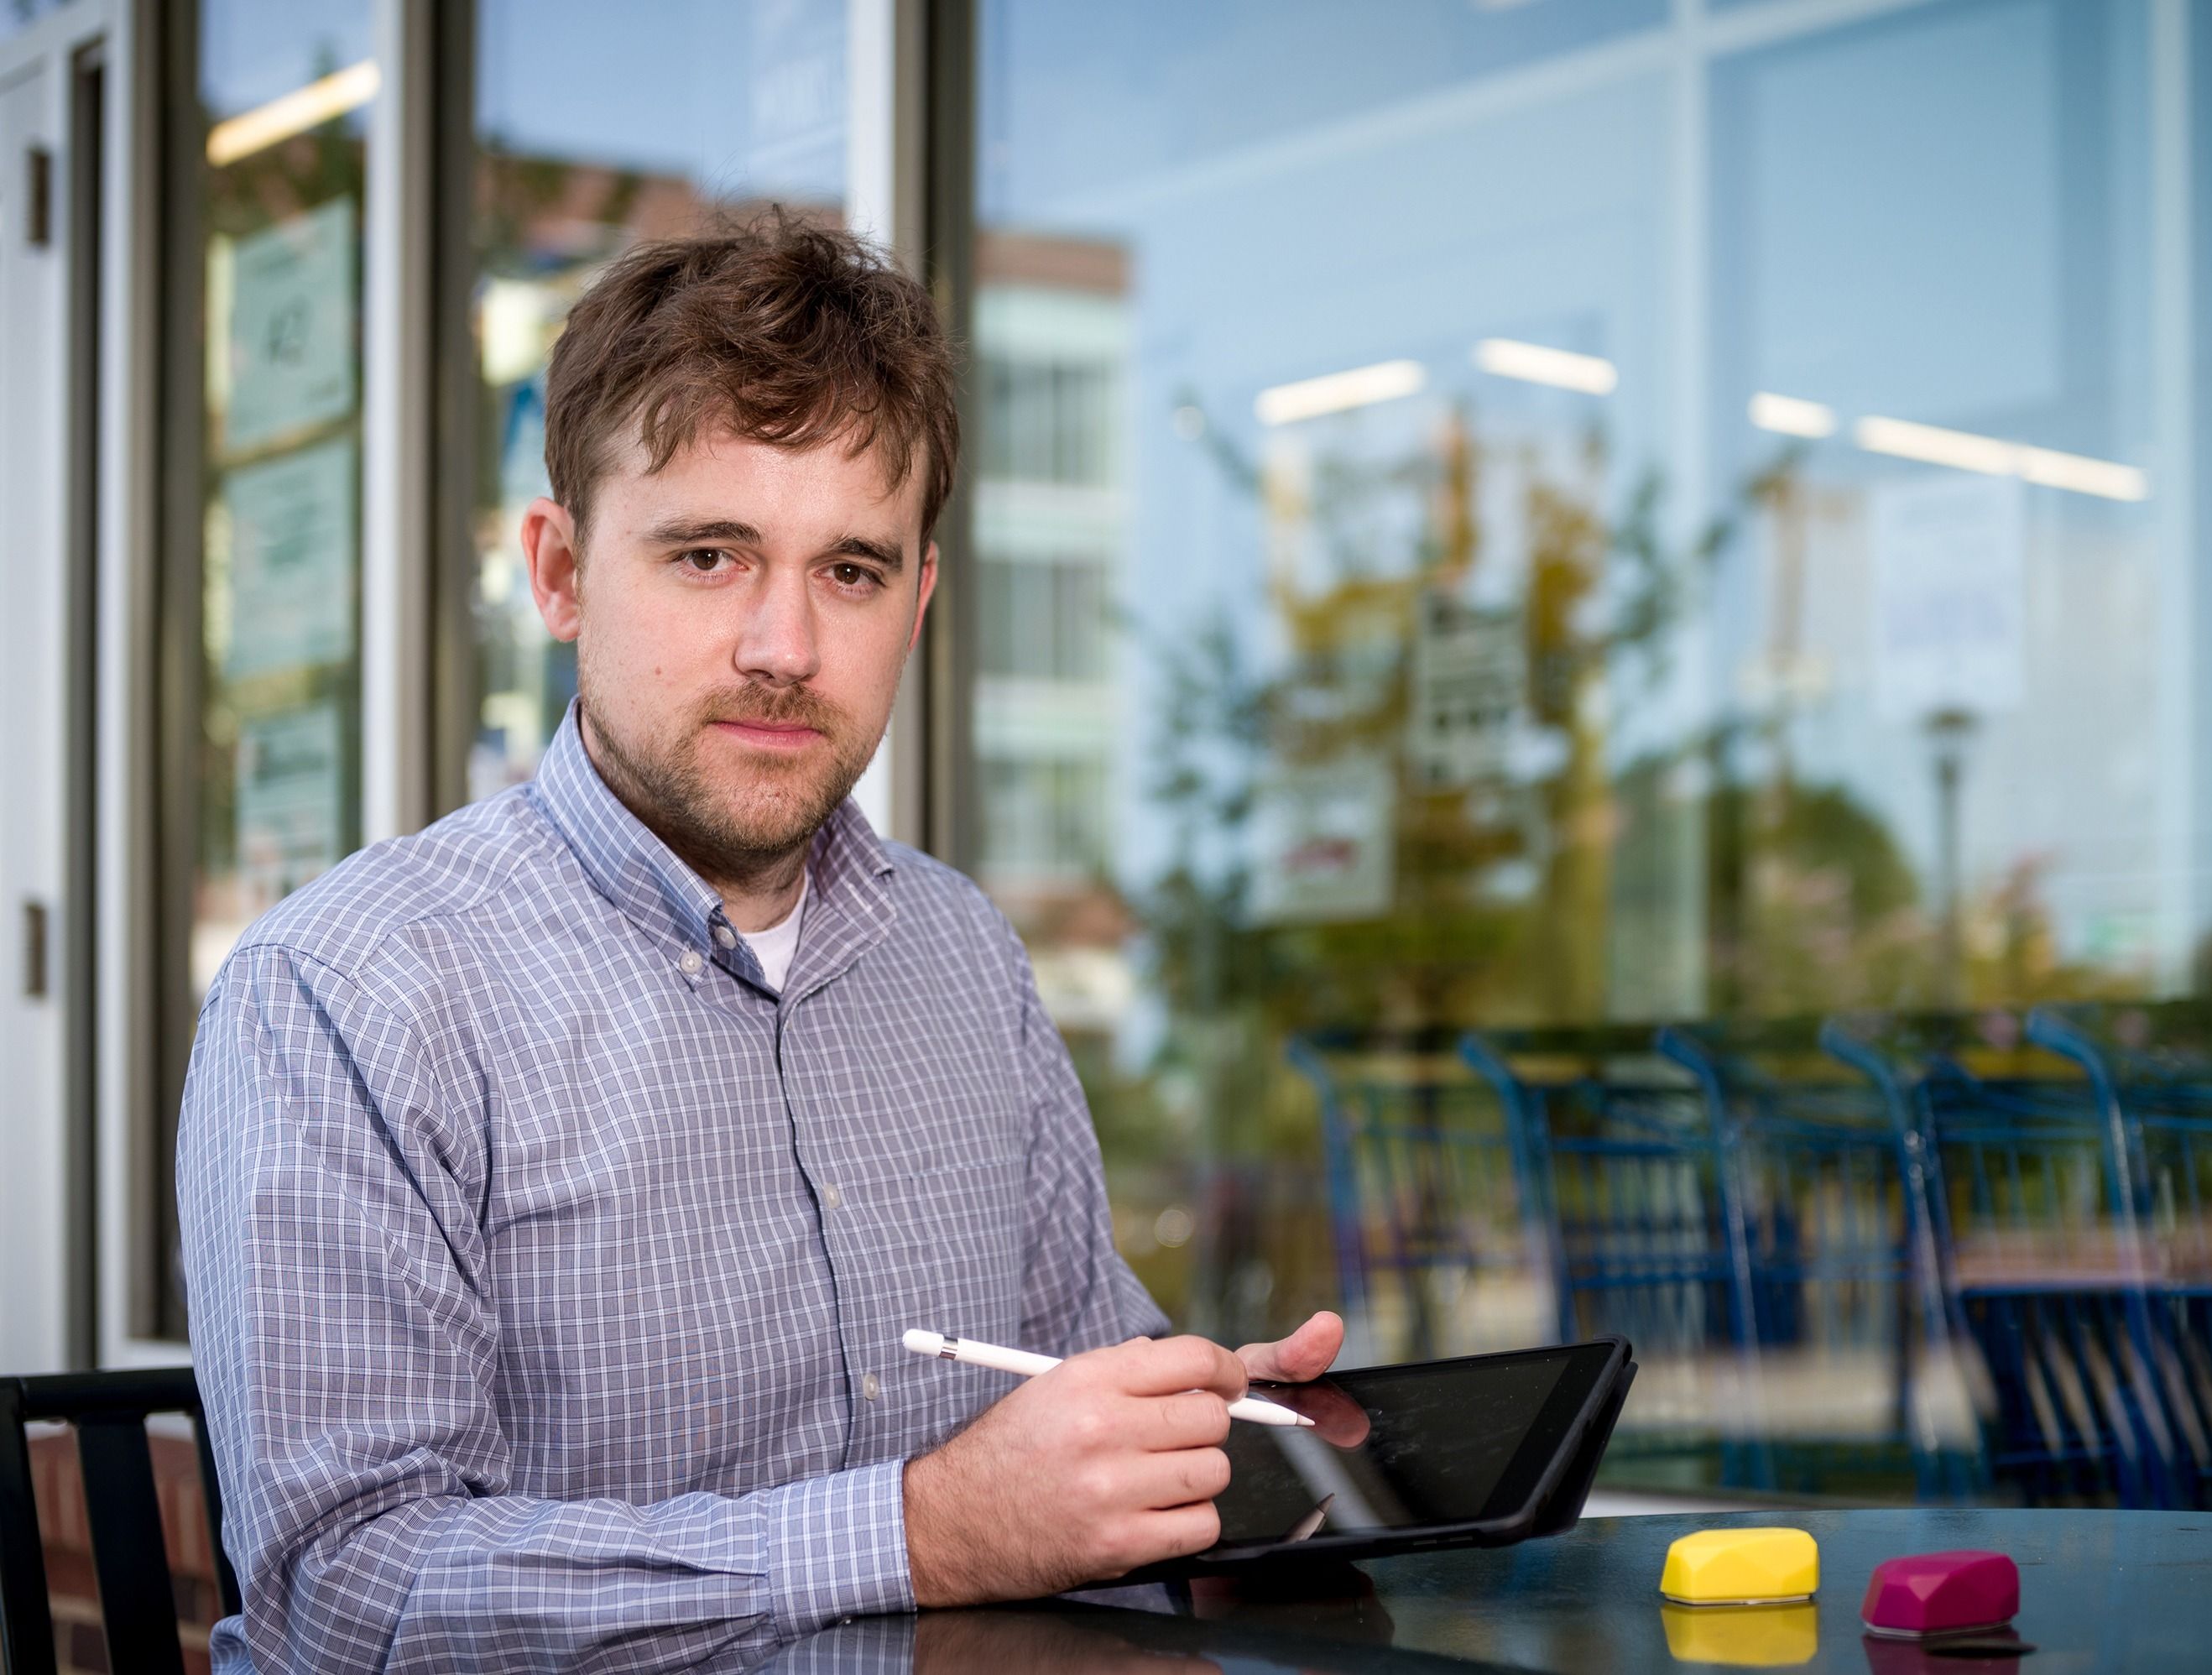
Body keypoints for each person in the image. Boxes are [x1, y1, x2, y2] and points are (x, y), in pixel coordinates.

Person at [177, 212, 1343, 1671]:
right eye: (711, 554)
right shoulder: (347, 991)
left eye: (850, 570)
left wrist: (1205, 1428)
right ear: (558, 574)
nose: (784, 646)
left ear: (916, 604)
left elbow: (1071, 1376)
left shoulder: (960, 957)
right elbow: (350, 1592)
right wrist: (922, 1531)